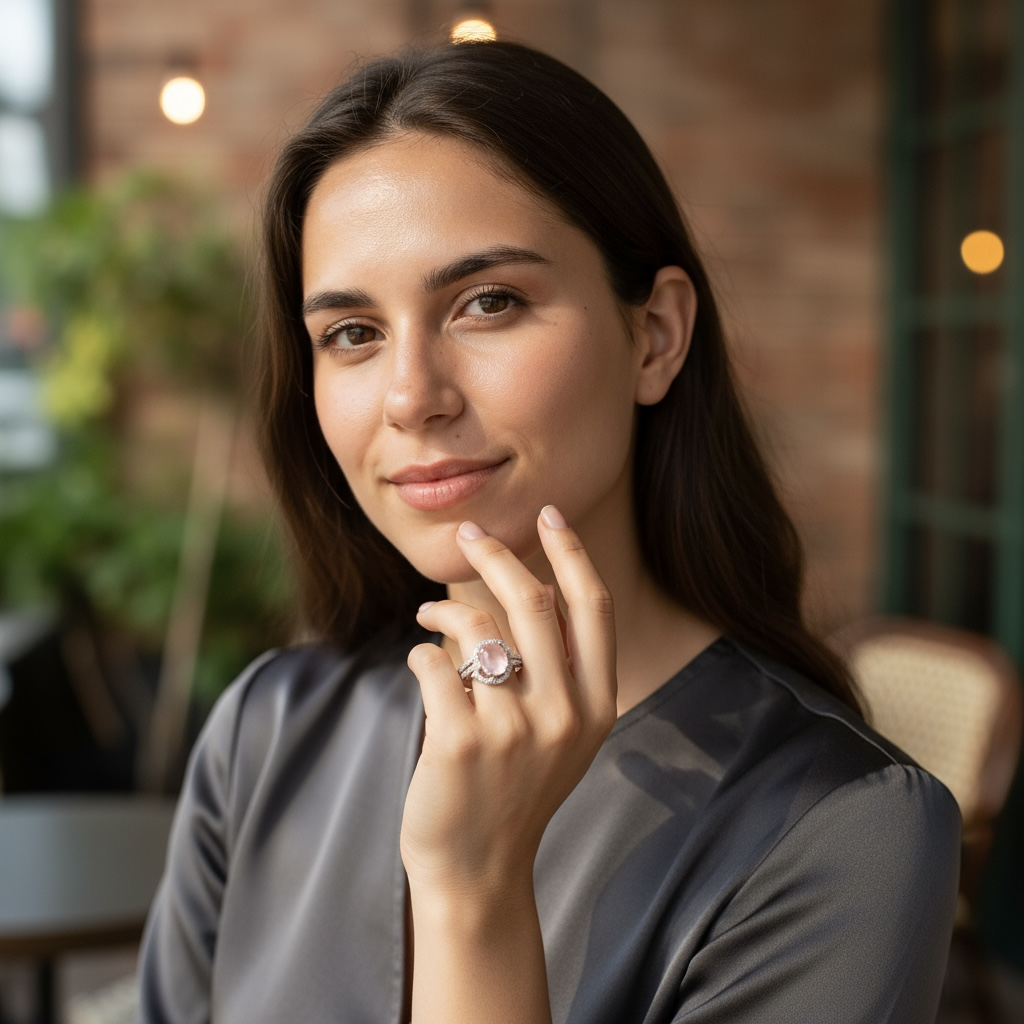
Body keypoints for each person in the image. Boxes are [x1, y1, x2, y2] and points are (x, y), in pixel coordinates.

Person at [135, 40, 960, 1024]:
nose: (411, 398)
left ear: (653, 335)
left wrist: (473, 892)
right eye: (352, 333)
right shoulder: (266, 731)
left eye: (489, 303)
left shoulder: (846, 830)